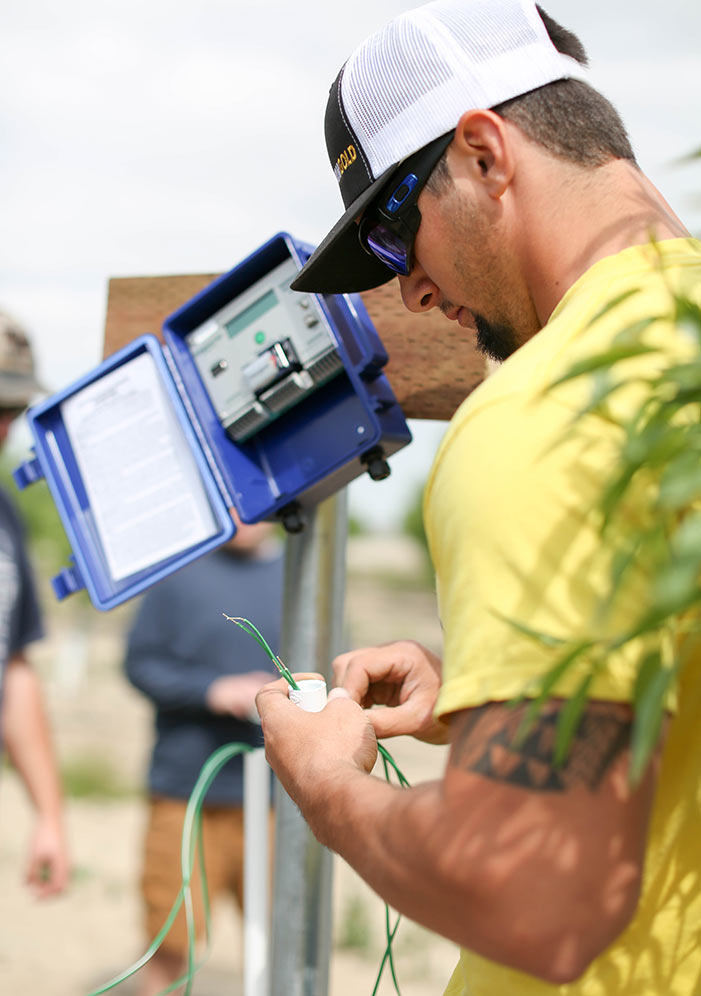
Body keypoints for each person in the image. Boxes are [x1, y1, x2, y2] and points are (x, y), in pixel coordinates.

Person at [255, 2, 701, 994]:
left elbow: (533, 895)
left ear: (482, 152)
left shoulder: (538, 417)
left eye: (387, 231)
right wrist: (484, 695)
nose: (403, 289)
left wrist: (325, 786)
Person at [124, 516, 283, 996]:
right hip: (186, 793)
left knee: (281, 940)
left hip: (282, 801)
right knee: (171, 943)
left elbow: (333, 664)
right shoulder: (176, 575)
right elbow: (140, 664)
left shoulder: (302, 576)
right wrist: (212, 690)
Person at [0, 310, 70, 899]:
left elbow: (12, 664)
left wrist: (48, 814)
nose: (5, 427)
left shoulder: (5, 513)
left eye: (12, 410)